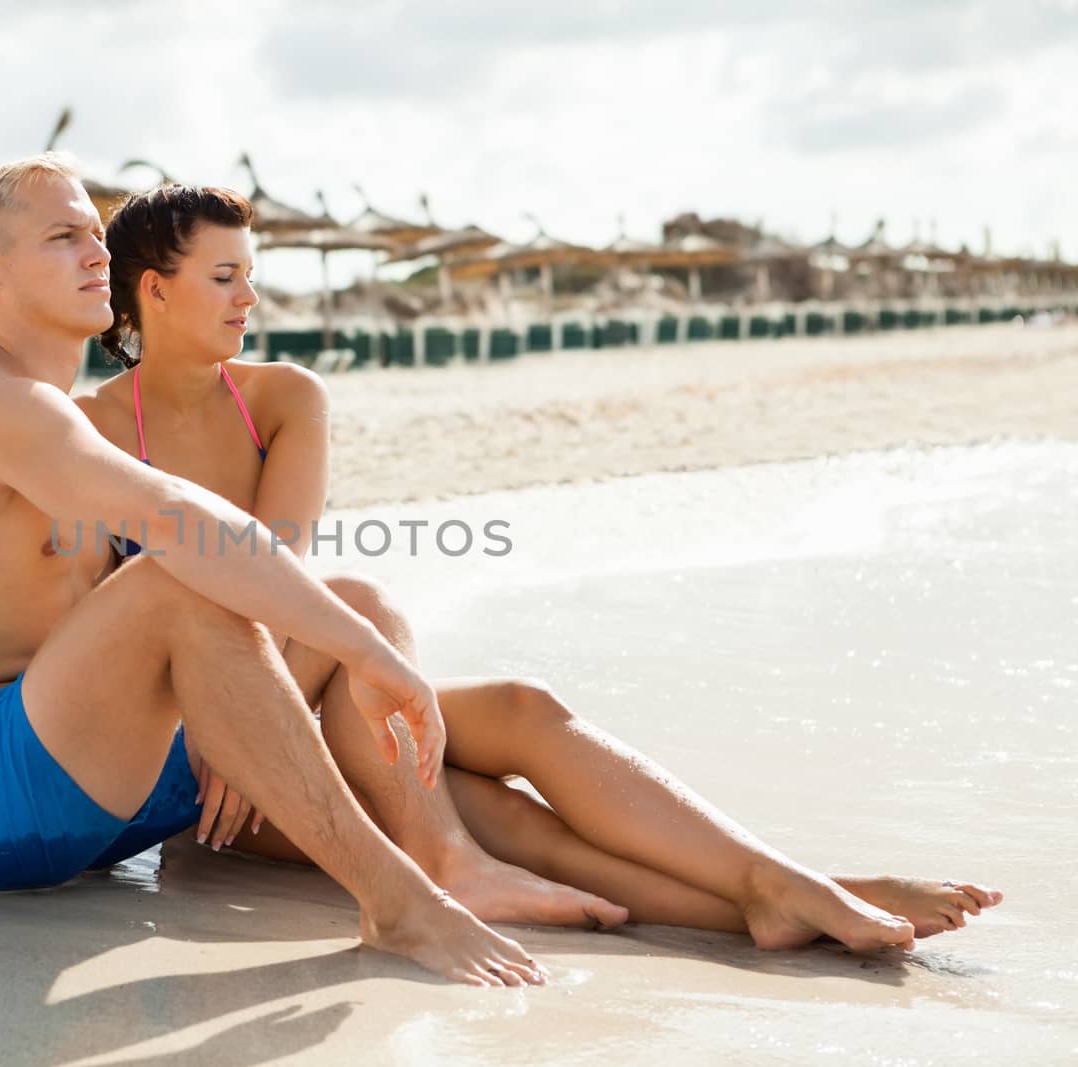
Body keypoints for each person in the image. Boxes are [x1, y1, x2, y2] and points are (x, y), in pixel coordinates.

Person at [76, 182, 1002, 946]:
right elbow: (94, 637)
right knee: (504, 817)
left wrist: (258, 713)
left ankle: (783, 883)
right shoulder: (90, 432)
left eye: (253, 276)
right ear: (152, 291)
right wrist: (232, 731)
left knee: (523, 706)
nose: (250, 299)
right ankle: (795, 890)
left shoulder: (283, 400)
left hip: (297, 675)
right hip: (198, 766)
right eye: (226, 276)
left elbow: (280, 577)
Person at [0, 153, 580, 988]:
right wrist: (366, 657)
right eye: (64, 237)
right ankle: (400, 899)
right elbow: (180, 521)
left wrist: (345, 641)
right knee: (181, 580)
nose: (99, 253)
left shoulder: (60, 417)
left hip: (98, 797)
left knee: (355, 600)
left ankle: (706, 893)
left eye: (97, 234)